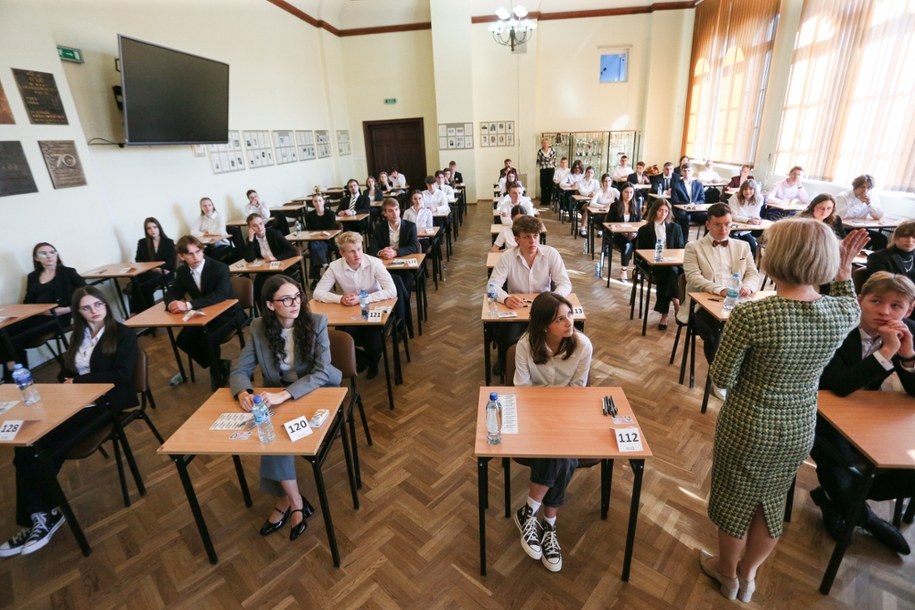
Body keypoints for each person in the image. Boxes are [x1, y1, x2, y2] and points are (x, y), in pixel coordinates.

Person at [699, 219, 866, 603]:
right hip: (799, 424)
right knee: (772, 502)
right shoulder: (841, 313)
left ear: (774, 257)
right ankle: (749, 577)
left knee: (733, 499)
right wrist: (842, 274)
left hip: (747, 422)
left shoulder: (752, 315)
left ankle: (726, 574)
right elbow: (850, 304)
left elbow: (722, 376)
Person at [0, 287, 137, 557]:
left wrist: (79, 382)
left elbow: (121, 375)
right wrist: (66, 382)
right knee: (27, 445)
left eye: (98, 304)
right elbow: (67, 371)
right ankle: (40, 516)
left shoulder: (123, 333)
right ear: (78, 312)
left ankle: (44, 518)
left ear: (105, 305)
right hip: (76, 402)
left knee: (39, 448)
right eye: (86, 308)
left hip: (104, 403)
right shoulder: (79, 334)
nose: (94, 311)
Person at [228, 275, 340, 543]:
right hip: (278, 393)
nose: (295, 303)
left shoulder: (316, 322)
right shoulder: (258, 328)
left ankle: (283, 502)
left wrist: (286, 395)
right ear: (269, 305)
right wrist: (242, 390)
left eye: (297, 296)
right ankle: (294, 499)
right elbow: (239, 369)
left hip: (318, 389)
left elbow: (323, 371)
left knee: (276, 436)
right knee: (271, 434)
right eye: (286, 299)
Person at [811, 271, 915, 555]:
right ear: (860, 300)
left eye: (896, 306)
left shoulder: (910, 332)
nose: (884, 311)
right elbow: (839, 386)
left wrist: (906, 354)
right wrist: (886, 353)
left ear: (910, 308)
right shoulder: (838, 327)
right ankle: (867, 519)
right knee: (837, 463)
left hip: (880, 421)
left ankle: (836, 501)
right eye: (876, 301)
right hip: (825, 416)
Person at [512, 292, 593, 573]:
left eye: (569, 314)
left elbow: (578, 390)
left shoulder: (582, 345)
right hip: (533, 417)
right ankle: (549, 526)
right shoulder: (525, 345)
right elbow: (521, 390)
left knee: (562, 451)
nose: (569, 322)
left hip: (569, 415)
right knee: (564, 454)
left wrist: (547, 396)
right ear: (545, 325)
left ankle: (531, 513)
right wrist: (551, 398)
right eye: (560, 318)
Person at [679, 203, 761, 368]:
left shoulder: (743, 246)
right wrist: (720, 290)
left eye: (727, 224)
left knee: (760, 325)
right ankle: (719, 375)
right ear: (708, 224)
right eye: (718, 224)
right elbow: (693, 277)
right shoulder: (693, 247)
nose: (723, 229)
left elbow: (753, 273)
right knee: (718, 330)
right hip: (704, 303)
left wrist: (748, 287)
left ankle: (746, 371)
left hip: (739, 300)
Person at [488, 215, 572, 374]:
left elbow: (565, 283)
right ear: (517, 239)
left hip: (546, 309)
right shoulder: (507, 256)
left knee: (559, 335)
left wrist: (553, 300)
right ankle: (506, 362)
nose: (533, 241)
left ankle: (549, 369)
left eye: (535, 236)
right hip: (517, 310)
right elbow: (492, 285)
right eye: (527, 237)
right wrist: (505, 298)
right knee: (508, 338)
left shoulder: (551, 254)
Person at [164, 235, 244, 389]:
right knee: (183, 340)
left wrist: (188, 305)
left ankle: (217, 374)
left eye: (198, 251)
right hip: (203, 315)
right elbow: (173, 291)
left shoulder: (219, 267)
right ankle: (220, 365)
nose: (196, 257)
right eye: (190, 254)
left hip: (228, 314)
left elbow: (221, 295)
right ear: (181, 256)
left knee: (208, 337)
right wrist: (171, 303)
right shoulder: (183, 272)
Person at [313, 231, 396, 379]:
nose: (357, 254)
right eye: (352, 251)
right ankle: (362, 359)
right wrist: (340, 299)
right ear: (342, 253)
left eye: (359, 249)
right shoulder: (334, 266)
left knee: (373, 339)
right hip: (350, 311)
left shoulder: (374, 263)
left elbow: (392, 291)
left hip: (374, 306)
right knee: (339, 339)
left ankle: (373, 362)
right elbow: (317, 293)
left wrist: (362, 298)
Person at [2, 243, 86, 374]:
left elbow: (87, 294)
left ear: (56, 254)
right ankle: (14, 370)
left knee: (12, 339)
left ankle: (17, 375)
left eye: (52, 252)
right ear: (36, 258)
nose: (49, 256)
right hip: (35, 316)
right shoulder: (33, 276)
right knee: (3, 332)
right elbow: (28, 301)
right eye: (43, 253)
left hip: (58, 317)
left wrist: (67, 309)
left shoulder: (67, 272)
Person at [636, 199, 685, 330]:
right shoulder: (644, 230)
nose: (663, 213)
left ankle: (664, 315)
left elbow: (680, 248)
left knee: (669, 272)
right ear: (654, 211)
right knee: (669, 273)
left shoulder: (675, 228)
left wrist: (670, 256)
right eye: (660, 210)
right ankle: (676, 301)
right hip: (653, 264)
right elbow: (640, 252)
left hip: (672, 263)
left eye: (666, 211)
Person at [244, 213, 298, 299]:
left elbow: (293, 251)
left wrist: (276, 258)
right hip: (266, 269)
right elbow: (249, 259)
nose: (259, 227)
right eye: (255, 226)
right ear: (250, 228)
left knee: (274, 289)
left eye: (261, 224)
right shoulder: (251, 239)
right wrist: (250, 239)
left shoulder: (275, 234)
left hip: (283, 267)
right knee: (257, 290)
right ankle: (264, 311)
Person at [132, 217, 177, 312]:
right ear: (146, 230)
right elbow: (138, 260)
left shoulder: (168, 242)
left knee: (143, 286)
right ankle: (139, 313)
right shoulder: (142, 242)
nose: (152, 230)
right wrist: (153, 269)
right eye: (149, 228)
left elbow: (171, 262)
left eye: (154, 227)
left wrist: (158, 269)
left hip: (165, 272)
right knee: (135, 283)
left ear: (159, 228)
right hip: (148, 272)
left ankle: (146, 311)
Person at [837, 174, 886, 250]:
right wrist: (858, 201)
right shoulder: (843, 196)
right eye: (862, 187)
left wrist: (870, 204)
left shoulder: (871, 196)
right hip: (843, 230)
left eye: (868, 188)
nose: (865, 190)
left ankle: (873, 260)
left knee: (881, 239)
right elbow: (839, 216)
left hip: (861, 230)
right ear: (855, 186)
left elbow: (878, 216)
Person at [866, 220, 915, 296]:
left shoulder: (913, 255)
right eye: (905, 236)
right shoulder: (878, 257)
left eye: (914, 237)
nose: (910, 240)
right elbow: (881, 286)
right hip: (893, 298)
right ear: (896, 237)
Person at [604, 184, 641, 282]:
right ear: (622, 192)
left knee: (641, 242)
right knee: (627, 245)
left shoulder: (636, 205)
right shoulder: (615, 205)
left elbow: (639, 223)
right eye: (626, 192)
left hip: (632, 234)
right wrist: (622, 232)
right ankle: (624, 270)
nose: (628, 195)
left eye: (631, 192)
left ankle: (638, 270)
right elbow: (609, 223)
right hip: (618, 234)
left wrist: (635, 233)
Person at [304, 193, 339, 289]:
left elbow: (331, 230)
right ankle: (325, 263)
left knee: (315, 249)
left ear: (323, 201)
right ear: (312, 203)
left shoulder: (330, 214)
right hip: (314, 240)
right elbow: (309, 230)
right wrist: (318, 234)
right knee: (315, 245)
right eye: (315, 201)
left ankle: (316, 278)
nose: (318, 203)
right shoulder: (309, 215)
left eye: (319, 200)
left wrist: (318, 234)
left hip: (328, 242)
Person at [727, 179, 764, 257]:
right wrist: (748, 220)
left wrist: (757, 219)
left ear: (754, 190)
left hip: (746, 230)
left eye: (750, 189)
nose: (747, 191)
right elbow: (733, 216)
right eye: (745, 189)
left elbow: (756, 214)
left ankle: (751, 267)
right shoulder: (734, 198)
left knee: (753, 247)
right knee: (740, 248)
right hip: (734, 229)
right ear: (741, 190)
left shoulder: (759, 199)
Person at [192, 197, 234, 263]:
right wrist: (205, 234)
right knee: (199, 255)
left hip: (222, 244)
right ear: (201, 207)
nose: (207, 208)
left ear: (213, 205)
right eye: (204, 206)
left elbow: (220, 232)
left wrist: (207, 231)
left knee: (210, 257)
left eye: (209, 205)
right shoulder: (200, 218)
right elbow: (193, 232)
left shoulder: (220, 217)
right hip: (208, 245)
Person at [671, 164, 706, 241]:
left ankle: (706, 240)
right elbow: (674, 201)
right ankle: (683, 241)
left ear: (692, 171)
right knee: (684, 217)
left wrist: (694, 203)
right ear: (681, 172)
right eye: (684, 171)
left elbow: (702, 199)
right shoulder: (676, 185)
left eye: (689, 170)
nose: (687, 173)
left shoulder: (698, 184)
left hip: (695, 210)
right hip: (681, 210)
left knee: (709, 216)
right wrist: (687, 205)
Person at [587, 173, 620, 241]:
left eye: (609, 181)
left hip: (610, 213)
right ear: (602, 182)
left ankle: (613, 235)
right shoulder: (599, 191)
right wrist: (603, 206)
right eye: (605, 181)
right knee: (606, 217)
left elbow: (622, 200)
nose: (607, 183)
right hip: (599, 214)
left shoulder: (614, 190)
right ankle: (606, 233)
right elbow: (592, 203)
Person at [576, 166, 601, 237]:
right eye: (588, 172)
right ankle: (582, 228)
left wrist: (593, 194)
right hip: (582, 202)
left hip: (594, 201)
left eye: (592, 173)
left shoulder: (596, 182)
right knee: (588, 207)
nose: (590, 174)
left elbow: (597, 192)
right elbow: (582, 191)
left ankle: (600, 228)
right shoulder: (580, 182)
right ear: (585, 173)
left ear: (594, 174)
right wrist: (590, 193)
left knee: (600, 209)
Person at [536, 138, 556, 208]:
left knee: (550, 185)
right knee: (543, 185)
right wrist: (544, 164)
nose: (545, 144)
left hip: (551, 169)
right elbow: (538, 161)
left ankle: (548, 201)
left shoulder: (552, 150)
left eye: (546, 142)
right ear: (542, 143)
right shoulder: (540, 151)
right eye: (543, 143)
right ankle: (543, 201)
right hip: (543, 169)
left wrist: (550, 164)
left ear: (548, 143)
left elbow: (554, 159)